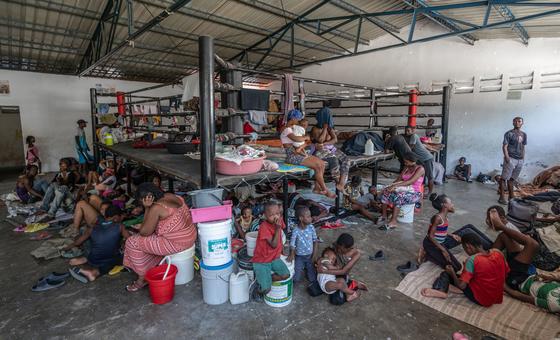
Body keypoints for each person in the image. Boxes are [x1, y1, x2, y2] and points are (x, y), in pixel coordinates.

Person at [123, 183, 197, 292]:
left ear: (147, 199)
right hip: (190, 234)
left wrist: (147, 208)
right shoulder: (170, 196)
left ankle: (142, 279)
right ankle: (154, 266)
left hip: (177, 243)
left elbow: (144, 232)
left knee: (132, 242)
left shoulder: (156, 208)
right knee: (147, 239)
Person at [421, 233, 510, 307]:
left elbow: (462, 285)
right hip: (495, 297)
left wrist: (452, 273)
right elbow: (504, 272)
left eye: (465, 249)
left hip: (481, 299)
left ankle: (440, 290)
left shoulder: (472, 260)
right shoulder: (497, 252)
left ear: (469, 247)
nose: (466, 252)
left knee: (446, 274)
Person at [67, 205, 129, 282]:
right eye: (120, 217)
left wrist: (66, 247)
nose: (121, 219)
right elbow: (131, 241)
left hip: (93, 259)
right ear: (116, 217)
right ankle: (94, 273)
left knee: (92, 240)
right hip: (106, 262)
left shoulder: (92, 227)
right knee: (124, 255)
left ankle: (86, 259)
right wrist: (123, 243)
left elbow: (77, 243)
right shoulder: (120, 226)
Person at [281, 109, 334, 198]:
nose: (298, 121)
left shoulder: (292, 129)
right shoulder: (286, 129)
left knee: (322, 164)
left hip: (298, 152)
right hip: (292, 155)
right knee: (317, 166)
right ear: (293, 118)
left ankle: (317, 188)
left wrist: (305, 141)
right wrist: (306, 137)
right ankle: (325, 189)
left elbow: (301, 142)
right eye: (297, 119)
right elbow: (297, 139)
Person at [486, 207, 539, 290]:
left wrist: (507, 289)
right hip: (517, 268)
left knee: (533, 244)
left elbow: (519, 295)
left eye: (489, 219)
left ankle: (500, 226)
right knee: (504, 235)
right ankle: (486, 262)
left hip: (516, 278)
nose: (487, 221)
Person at [251, 201, 290, 300]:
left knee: (286, 275)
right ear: (265, 216)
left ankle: (266, 278)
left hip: (274, 258)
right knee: (266, 290)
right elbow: (273, 245)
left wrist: (284, 246)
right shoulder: (263, 227)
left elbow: (283, 231)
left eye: (277, 213)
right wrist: (277, 229)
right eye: (271, 215)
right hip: (262, 261)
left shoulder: (279, 220)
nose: (275, 217)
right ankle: (257, 289)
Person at [309, 106, 351, 192]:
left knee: (346, 159)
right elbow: (319, 140)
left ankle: (342, 182)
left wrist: (325, 143)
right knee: (333, 159)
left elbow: (334, 140)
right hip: (319, 151)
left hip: (329, 148)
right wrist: (324, 129)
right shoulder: (315, 128)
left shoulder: (331, 128)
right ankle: (337, 181)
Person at [378, 152, 425, 230]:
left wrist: (395, 186)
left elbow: (411, 181)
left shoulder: (420, 169)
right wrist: (389, 186)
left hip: (414, 193)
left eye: (406, 161)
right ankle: (384, 216)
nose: (405, 163)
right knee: (386, 192)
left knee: (399, 196)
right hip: (404, 189)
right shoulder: (406, 167)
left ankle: (393, 221)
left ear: (413, 161)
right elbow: (399, 179)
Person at [316, 233, 366, 305]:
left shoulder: (356, 254)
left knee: (337, 300)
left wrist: (325, 271)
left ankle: (352, 286)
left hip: (341, 275)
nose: (339, 251)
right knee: (333, 297)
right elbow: (324, 259)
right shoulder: (334, 247)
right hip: (330, 277)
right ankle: (352, 285)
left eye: (342, 250)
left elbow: (343, 271)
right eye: (338, 248)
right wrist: (319, 263)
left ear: (349, 248)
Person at [422, 194, 462, 272]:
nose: (452, 204)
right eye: (450, 203)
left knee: (458, 266)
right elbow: (430, 236)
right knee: (455, 268)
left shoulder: (445, 217)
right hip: (431, 245)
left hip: (440, 244)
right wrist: (443, 250)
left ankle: (431, 255)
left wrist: (452, 235)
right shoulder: (437, 218)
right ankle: (427, 254)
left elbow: (441, 231)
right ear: (444, 205)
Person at [499, 117, 527, 205]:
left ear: (522, 123)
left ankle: (511, 197)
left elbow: (523, 146)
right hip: (511, 158)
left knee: (512, 179)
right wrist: (507, 157)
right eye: (515, 121)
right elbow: (504, 146)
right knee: (504, 178)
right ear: (513, 123)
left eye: (519, 121)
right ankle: (502, 197)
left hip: (520, 160)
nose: (517, 123)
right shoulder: (509, 133)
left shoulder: (524, 134)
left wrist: (523, 158)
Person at [287, 207, 318, 283]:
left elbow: (315, 241)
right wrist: (291, 254)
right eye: (308, 216)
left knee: (312, 279)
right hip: (299, 257)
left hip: (309, 256)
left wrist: (314, 254)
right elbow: (292, 244)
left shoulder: (311, 227)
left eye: (310, 216)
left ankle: (306, 268)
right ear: (301, 218)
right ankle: (302, 268)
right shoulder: (296, 230)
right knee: (296, 279)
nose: (311, 218)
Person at [405, 125, 434, 195]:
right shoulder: (414, 136)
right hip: (422, 159)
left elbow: (410, 148)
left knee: (429, 176)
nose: (406, 132)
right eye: (405, 131)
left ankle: (430, 193)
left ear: (412, 130)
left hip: (426, 158)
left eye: (408, 131)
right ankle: (421, 191)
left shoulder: (413, 136)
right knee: (421, 175)